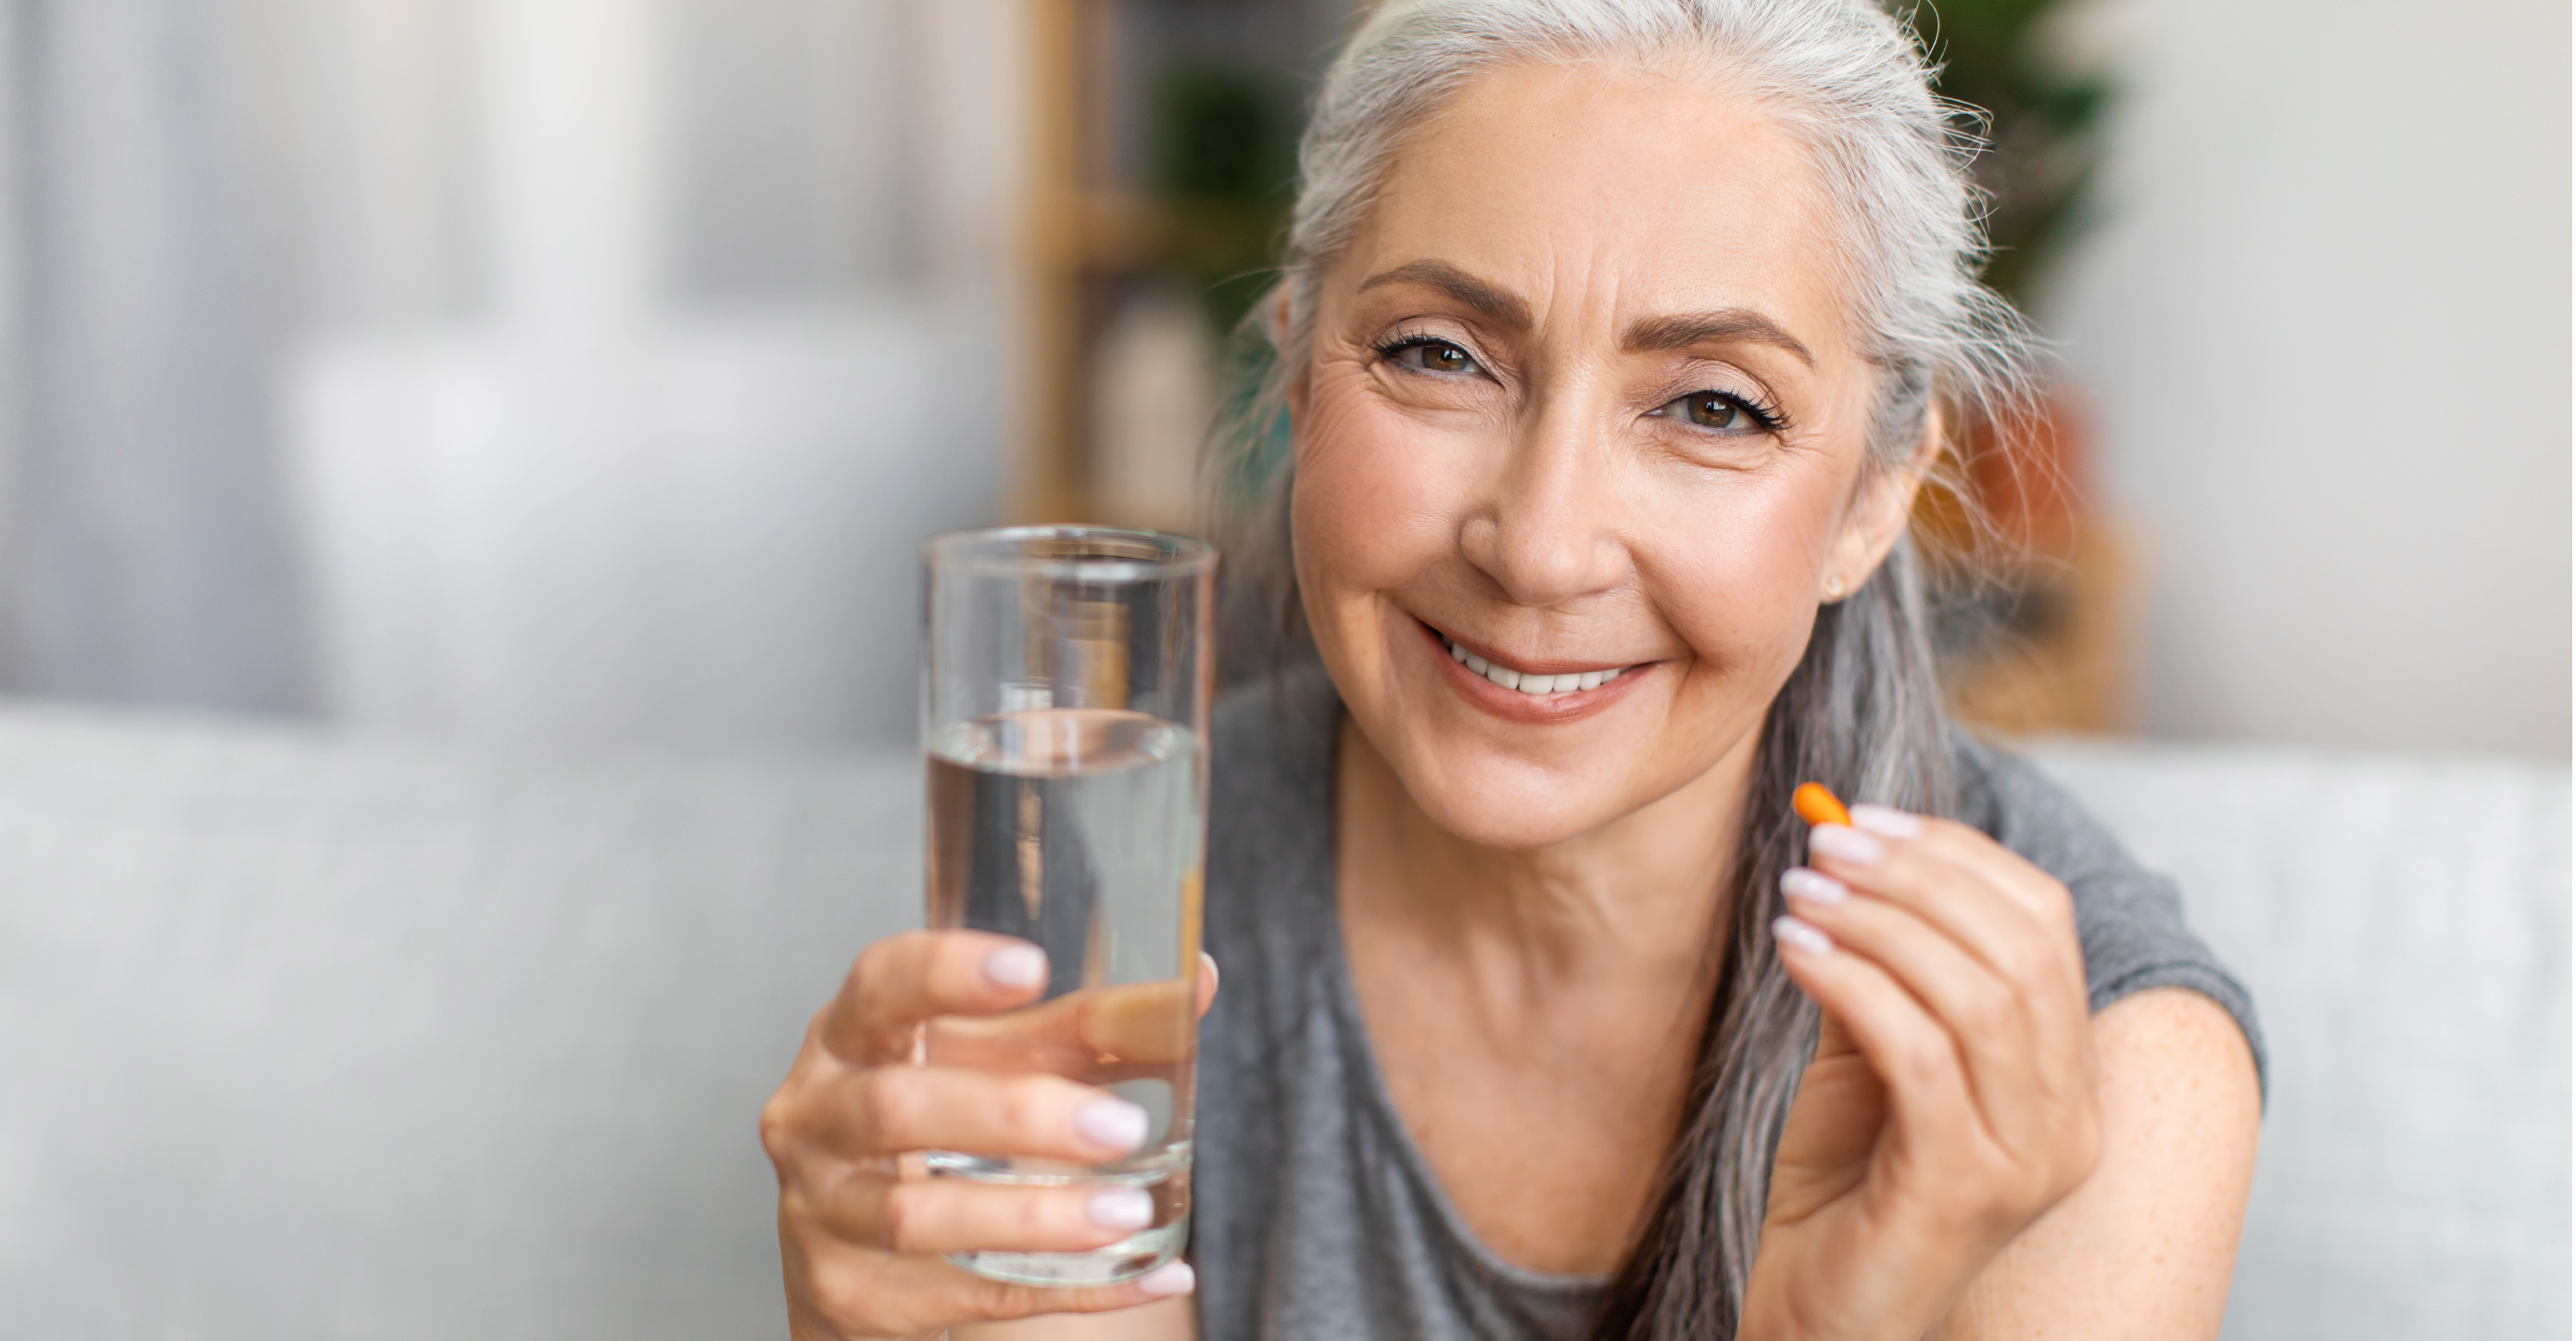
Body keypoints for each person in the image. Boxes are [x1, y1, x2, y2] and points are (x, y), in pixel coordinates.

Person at [757, 1, 2266, 1336]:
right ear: (1292, 368)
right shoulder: (1111, 886)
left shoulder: (2097, 1070)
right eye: (1438, 354)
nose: (1542, 547)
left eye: (1716, 408)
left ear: (1872, 500)